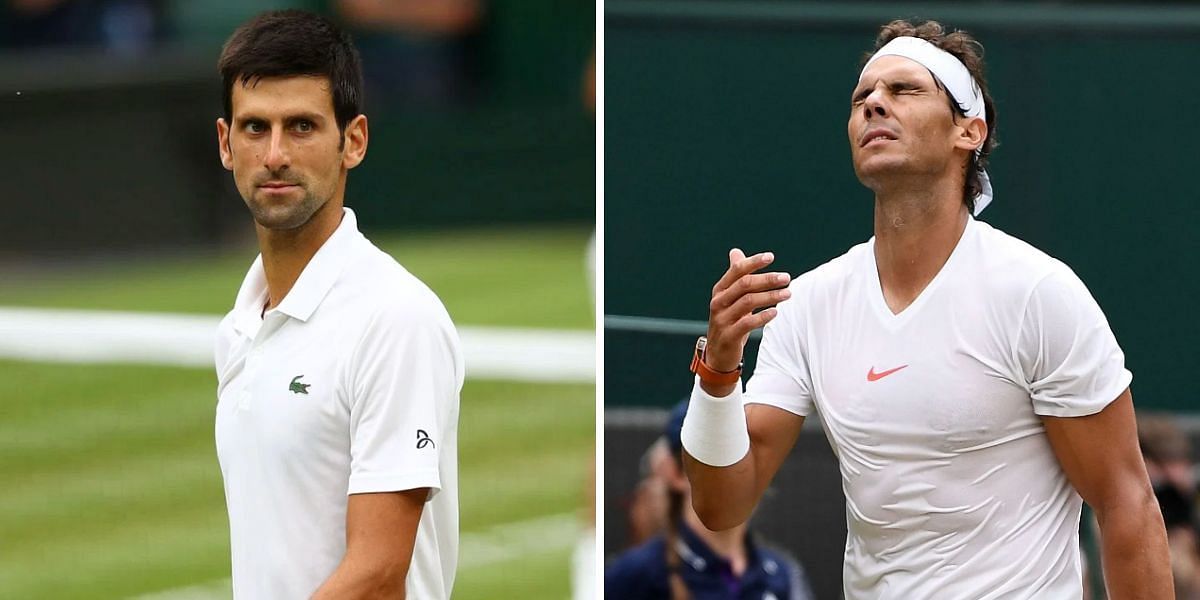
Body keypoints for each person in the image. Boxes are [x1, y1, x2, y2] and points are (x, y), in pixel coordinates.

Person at [680, 19, 1171, 599]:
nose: (874, 106)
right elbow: (721, 504)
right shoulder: (809, 303)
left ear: (970, 131)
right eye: (862, 97)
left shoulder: (1037, 293)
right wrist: (718, 373)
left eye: (904, 90)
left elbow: (1126, 502)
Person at [212, 10, 462, 599]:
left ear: (354, 141)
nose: (274, 154)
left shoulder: (396, 320)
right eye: (255, 128)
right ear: (226, 143)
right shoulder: (238, 328)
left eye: (301, 127)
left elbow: (377, 578)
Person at [607, 401, 816, 600]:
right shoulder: (635, 575)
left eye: (747, 460)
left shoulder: (782, 575)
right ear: (674, 473)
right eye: (715, 463)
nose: (736, 476)